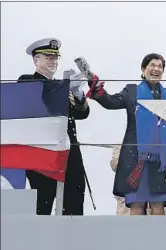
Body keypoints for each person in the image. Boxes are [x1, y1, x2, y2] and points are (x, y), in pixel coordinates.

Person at [88, 53, 166, 215]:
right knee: (137, 204)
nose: (156, 69)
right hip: (137, 157)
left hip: (161, 159)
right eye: (152, 65)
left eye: (160, 67)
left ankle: (160, 241)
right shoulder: (132, 92)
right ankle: (135, 240)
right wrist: (97, 89)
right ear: (143, 69)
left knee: (159, 205)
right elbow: (111, 102)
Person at [17, 38, 89, 215]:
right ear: (36, 60)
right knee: (43, 202)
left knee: (74, 201)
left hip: (69, 152)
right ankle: (40, 242)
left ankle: (71, 241)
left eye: (55, 58)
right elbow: (40, 100)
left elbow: (81, 114)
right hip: (43, 152)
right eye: (48, 57)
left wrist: (77, 93)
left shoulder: (60, 87)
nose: (53, 61)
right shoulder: (28, 81)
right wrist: (63, 88)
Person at [110, 145, 166, 215]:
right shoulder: (123, 144)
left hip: (154, 197)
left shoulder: (159, 144)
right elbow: (115, 165)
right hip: (128, 207)